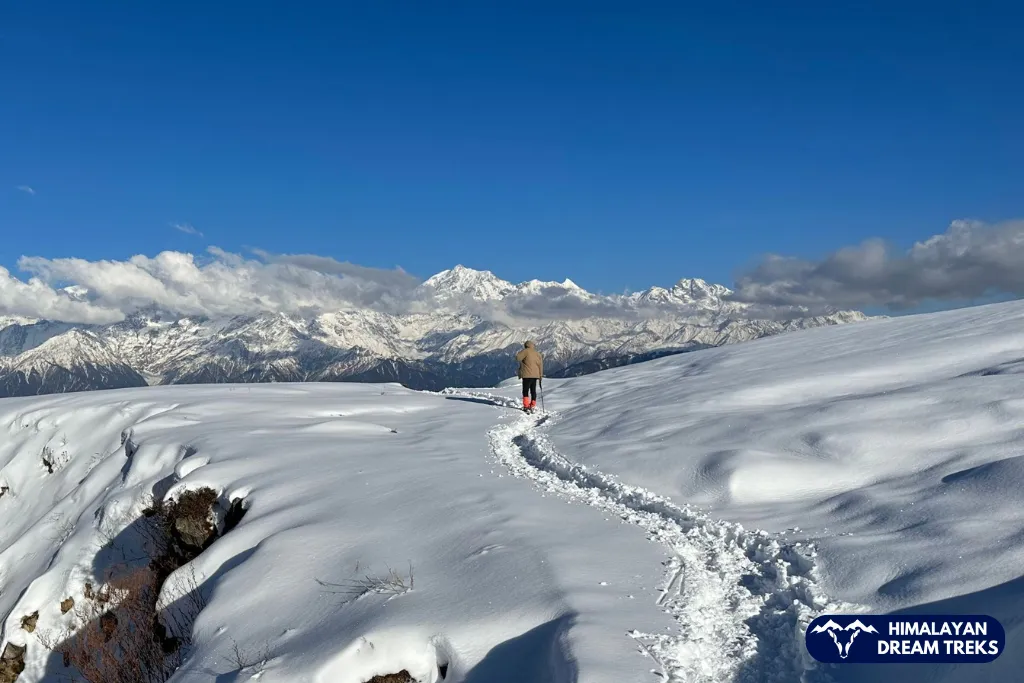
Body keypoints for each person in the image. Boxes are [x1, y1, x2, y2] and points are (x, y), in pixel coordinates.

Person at [515, 340, 543, 412]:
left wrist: (521, 352)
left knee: (525, 390)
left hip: (527, 375)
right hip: (535, 375)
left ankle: (526, 406)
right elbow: (540, 366)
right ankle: (533, 405)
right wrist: (540, 375)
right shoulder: (537, 354)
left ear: (526, 345)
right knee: (533, 390)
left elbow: (517, 358)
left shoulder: (525, 351)